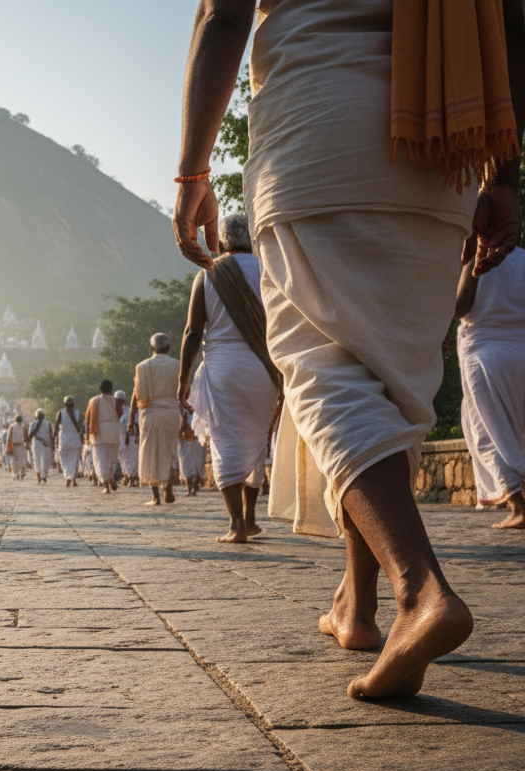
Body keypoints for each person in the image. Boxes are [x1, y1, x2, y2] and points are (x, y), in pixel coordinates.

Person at [174, 0, 524, 698]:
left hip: (317, 131)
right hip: (443, 140)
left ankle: (422, 592)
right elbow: (510, 20)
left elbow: (222, 16)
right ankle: (355, 606)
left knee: (323, 373)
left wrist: (192, 175)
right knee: (385, 383)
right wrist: (502, 176)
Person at [179, 214, 280, 539]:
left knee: (226, 443)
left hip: (223, 369)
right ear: (251, 239)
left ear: (220, 242)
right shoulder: (269, 268)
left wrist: (184, 378)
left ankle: (236, 524)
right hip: (264, 369)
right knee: (255, 440)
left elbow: (193, 331)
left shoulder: (208, 273)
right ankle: (250, 519)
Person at [454, 247, 525, 528]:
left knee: (485, 429)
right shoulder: (522, 257)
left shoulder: (476, 257)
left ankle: (518, 506)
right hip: (521, 348)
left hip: (485, 352)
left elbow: (459, 308)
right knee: (518, 430)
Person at [131, 333, 183, 506]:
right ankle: (168, 486)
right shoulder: (178, 365)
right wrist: (186, 416)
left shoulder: (143, 367)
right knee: (169, 450)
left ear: (152, 348)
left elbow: (136, 395)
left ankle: (156, 497)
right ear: (168, 348)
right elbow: (184, 393)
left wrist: (131, 418)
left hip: (149, 412)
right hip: (171, 413)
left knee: (150, 452)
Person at [86, 380, 124, 493]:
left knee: (101, 458)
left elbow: (88, 417)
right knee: (112, 458)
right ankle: (110, 476)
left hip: (100, 431)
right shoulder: (115, 401)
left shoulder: (94, 401)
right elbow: (120, 414)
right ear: (111, 389)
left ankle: (106, 484)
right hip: (113, 431)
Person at [54, 396, 84, 487]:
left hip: (68, 438)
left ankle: (70, 478)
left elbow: (55, 427)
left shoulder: (63, 413)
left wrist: (54, 438)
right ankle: (71, 478)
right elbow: (80, 428)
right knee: (70, 459)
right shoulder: (63, 413)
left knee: (69, 459)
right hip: (69, 438)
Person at [178, 408, 205, 497]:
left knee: (196, 461)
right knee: (187, 461)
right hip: (186, 437)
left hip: (197, 435)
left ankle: (193, 486)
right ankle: (191, 487)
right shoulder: (181, 406)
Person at [117, 390, 140, 487]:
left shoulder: (129, 410)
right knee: (123, 458)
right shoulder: (112, 410)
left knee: (132, 458)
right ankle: (126, 475)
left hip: (130, 437)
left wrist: (136, 435)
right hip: (119, 438)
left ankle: (132, 478)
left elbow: (136, 422)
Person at [28, 409, 54, 483]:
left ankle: (44, 475)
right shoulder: (33, 424)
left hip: (45, 444)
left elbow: (51, 434)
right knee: (37, 460)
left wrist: (52, 444)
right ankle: (39, 476)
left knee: (45, 460)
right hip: (37, 444)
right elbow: (30, 435)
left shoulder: (47, 423)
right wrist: (38, 425)